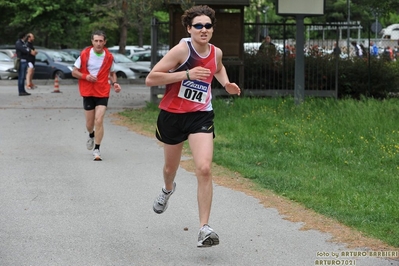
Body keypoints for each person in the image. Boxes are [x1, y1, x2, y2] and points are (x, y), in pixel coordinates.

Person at [145, 5, 241, 248]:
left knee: (205, 168)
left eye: (208, 25)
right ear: (189, 29)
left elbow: (217, 68)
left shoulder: (215, 52)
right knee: (170, 168)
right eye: (198, 25)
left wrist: (226, 83)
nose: (204, 29)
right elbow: (151, 78)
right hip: (172, 116)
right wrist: (185, 75)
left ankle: (204, 229)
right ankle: (167, 190)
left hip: (200, 115)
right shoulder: (181, 51)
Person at [72, 30, 121, 161]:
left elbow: (112, 73)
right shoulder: (84, 54)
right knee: (89, 123)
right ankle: (91, 134)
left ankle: (97, 149)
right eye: (96, 41)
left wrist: (115, 83)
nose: (98, 43)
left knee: (99, 120)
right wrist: (85, 76)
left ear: (105, 42)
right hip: (88, 91)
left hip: (102, 91)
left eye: (101, 41)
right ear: (92, 41)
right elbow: (74, 72)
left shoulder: (109, 57)